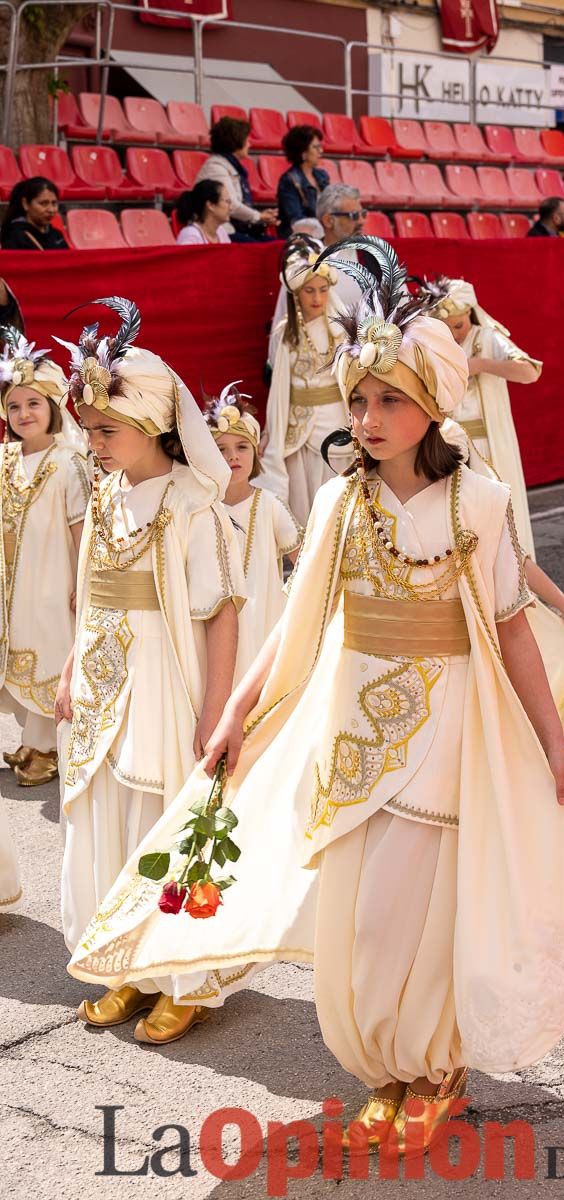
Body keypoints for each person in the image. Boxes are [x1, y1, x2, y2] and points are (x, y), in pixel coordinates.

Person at [67, 239, 564, 1144]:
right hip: (350, 740)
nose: (367, 415)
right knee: (363, 921)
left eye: (389, 399)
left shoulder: (478, 501)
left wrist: (551, 741)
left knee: (425, 912)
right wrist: (240, 711)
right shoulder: (335, 506)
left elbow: (511, 624)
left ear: (433, 405)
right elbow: (299, 625)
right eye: (359, 399)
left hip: (448, 737)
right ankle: (384, 1072)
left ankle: (433, 1069)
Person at [54, 297, 245, 1043]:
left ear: (155, 424)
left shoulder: (194, 506)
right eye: (90, 430)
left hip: (167, 685)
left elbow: (222, 612)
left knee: (162, 819)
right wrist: (72, 665)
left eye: (107, 430)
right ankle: (126, 960)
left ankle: (184, 974)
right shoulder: (103, 492)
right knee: (104, 813)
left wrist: (217, 710)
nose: (94, 443)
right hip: (103, 679)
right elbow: (92, 591)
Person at [0, 329, 88, 786]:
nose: (23, 414)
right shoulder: (4, 459)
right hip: (15, 581)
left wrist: (80, 582)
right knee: (18, 650)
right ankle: (33, 741)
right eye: (14, 406)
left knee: (50, 652)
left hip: (53, 579)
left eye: (34, 403)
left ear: (53, 408)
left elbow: (81, 530)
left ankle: (50, 747)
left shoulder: (69, 462)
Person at [420, 276, 541, 559]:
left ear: (471, 314)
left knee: (492, 513)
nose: (456, 334)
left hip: (486, 446)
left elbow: (530, 372)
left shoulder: (487, 337)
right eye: (447, 329)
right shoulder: (434, 345)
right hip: (447, 445)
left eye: (459, 326)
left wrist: (483, 365)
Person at [204, 381, 301, 680]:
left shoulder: (269, 505)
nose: (233, 456)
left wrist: (287, 600)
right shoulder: (202, 509)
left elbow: (305, 560)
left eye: (242, 447)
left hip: (262, 621)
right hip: (212, 619)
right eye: (221, 449)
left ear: (256, 453)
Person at [260, 239, 349, 523]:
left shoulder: (340, 328)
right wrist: (272, 431)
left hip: (337, 419)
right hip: (302, 428)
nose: (317, 298)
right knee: (307, 496)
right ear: (297, 293)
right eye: (309, 291)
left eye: (323, 290)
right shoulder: (287, 334)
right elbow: (280, 391)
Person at [268, 185, 365, 365]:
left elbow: (400, 310)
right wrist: (277, 369)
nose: (361, 221)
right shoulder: (304, 261)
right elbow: (284, 320)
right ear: (328, 220)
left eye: (362, 214)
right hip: (320, 370)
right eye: (353, 216)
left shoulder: (376, 258)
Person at [195, 117, 278, 241]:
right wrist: (259, 216)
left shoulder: (231, 166)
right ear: (236, 142)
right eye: (247, 140)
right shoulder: (216, 168)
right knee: (272, 251)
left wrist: (261, 217)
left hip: (239, 228)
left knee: (284, 247)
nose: (250, 144)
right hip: (225, 231)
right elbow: (231, 205)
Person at [276, 124, 329, 238]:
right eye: (315, 147)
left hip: (322, 233)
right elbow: (297, 220)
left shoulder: (322, 176)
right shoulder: (288, 180)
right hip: (300, 239)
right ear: (303, 153)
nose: (321, 151)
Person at [1, 177, 68, 250]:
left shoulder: (57, 235)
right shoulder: (14, 236)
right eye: (44, 203)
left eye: (54, 203)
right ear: (25, 204)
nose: (51, 210)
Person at [175, 180, 233, 245]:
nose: (231, 208)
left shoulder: (221, 232)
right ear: (211, 205)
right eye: (227, 201)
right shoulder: (190, 236)